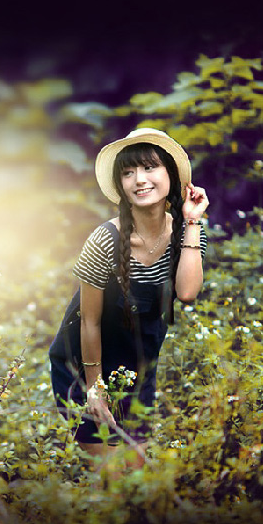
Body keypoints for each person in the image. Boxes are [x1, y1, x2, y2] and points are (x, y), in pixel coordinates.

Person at [48, 128, 209, 464]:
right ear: (121, 185)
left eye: (150, 168)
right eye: (128, 172)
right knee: (112, 478)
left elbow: (188, 293)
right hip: (84, 369)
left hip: (138, 368)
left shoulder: (185, 231)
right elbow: (89, 322)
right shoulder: (104, 240)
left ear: (171, 174)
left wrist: (192, 222)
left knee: (137, 479)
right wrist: (95, 389)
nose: (140, 179)